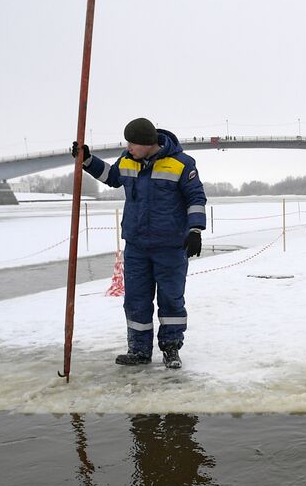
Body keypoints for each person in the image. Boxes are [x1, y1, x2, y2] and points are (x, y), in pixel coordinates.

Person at [73, 118, 207, 369]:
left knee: (171, 300)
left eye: (133, 143)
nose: (128, 147)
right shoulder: (127, 160)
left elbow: (196, 196)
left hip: (170, 246)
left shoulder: (181, 164)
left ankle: (171, 349)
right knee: (135, 299)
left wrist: (195, 230)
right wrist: (88, 161)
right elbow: (111, 177)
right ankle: (138, 350)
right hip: (136, 246)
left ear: (148, 143)